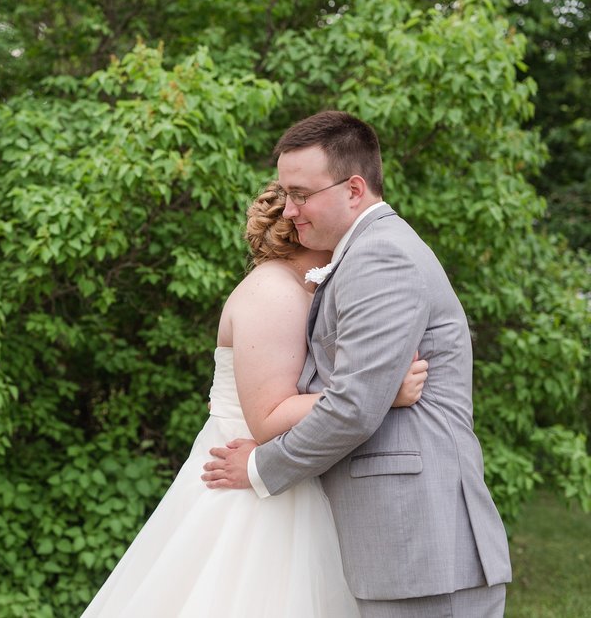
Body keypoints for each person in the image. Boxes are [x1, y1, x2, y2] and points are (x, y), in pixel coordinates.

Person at [201, 111, 512, 617]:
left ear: (353, 188)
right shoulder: (358, 256)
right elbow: (357, 392)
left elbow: (352, 407)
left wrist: (260, 466)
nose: (288, 211)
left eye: (301, 194)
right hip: (405, 545)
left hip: (421, 542)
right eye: (285, 194)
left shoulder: (379, 257)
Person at [82, 181, 428, 617]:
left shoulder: (306, 291)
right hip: (245, 485)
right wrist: (382, 392)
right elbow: (269, 413)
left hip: (284, 472)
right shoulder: (275, 293)